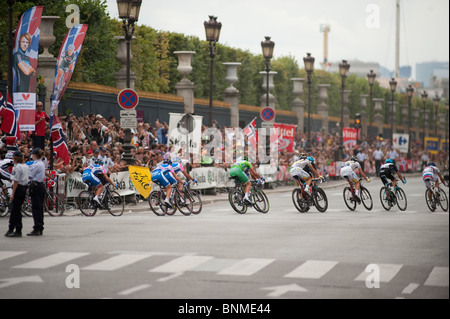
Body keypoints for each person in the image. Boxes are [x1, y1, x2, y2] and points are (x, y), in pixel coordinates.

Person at [4, 151, 28, 237]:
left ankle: (16, 229)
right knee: (16, 209)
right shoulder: (25, 166)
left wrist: (13, 193)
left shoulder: (17, 167)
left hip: (18, 188)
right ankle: (13, 228)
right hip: (24, 188)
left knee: (15, 210)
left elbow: (16, 181)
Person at [27, 148, 47, 236]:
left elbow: (30, 175)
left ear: (34, 155)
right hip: (40, 185)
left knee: (36, 207)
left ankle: (37, 227)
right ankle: (40, 226)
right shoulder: (41, 163)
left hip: (36, 185)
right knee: (39, 207)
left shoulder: (36, 165)